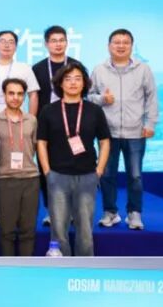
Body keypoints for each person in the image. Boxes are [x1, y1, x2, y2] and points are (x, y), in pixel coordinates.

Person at [37, 62, 110, 256]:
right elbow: (41, 143)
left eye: (78, 79)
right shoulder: (48, 110)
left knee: (85, 230)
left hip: (87, 175)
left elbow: (104, 142)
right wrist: (47, 172)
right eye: (68, 79)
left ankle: (84, 268)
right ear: (60, 83)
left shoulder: (94, 110)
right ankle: (61, 267)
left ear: (84, 83)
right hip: (57, 175)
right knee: (58, 229)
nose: (73, 83)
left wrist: (99, 170)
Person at [89, 29, 158, 230]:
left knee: (135, 176)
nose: (121, 46)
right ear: (109, 46)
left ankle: (134, 213)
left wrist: (150, 124)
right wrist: (102, 99)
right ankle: (110, 212)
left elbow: (151, 97)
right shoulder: (99, 70)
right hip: (107, 133)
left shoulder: (143, 69)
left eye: (125, 42)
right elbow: (88, 96)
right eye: (116, 42)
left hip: (136, 131)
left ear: (131, 46)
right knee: (107, 174)